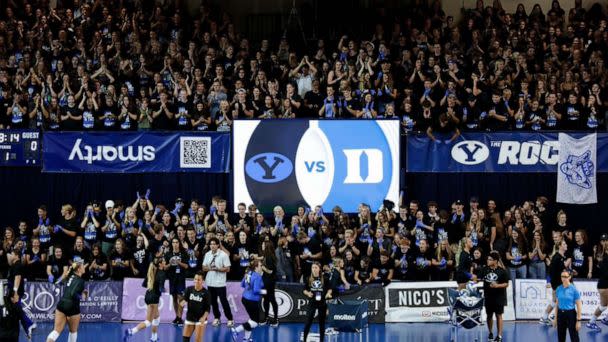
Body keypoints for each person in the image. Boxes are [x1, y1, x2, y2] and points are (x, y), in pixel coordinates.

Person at [124, 257, 167, 342]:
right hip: (154, 298)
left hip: (148, 296)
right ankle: (131, 331)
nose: (165, 262)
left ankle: (154, 337)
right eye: (164, 261)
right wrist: (164, 290)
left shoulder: (151, 272)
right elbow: (161, 288)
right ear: (160, 264)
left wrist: (153, 284)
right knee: (148, 322)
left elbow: (144, 284)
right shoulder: (162, 273)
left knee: (157, 318)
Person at [46, 262, 88, 342]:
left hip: (61, 304)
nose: (84, 267)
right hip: (72, 307)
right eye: (83, 266)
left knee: (56, 331)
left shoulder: (70, 276)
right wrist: (82, 296)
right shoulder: (81, 281)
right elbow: (73, 293)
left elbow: (60, 283)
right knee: (73, 332)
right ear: (79, 269)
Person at [202, 237, 234, 327]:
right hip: (210, 282)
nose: (212, 246)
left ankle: (230, 319)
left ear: (218, 245)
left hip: (220, 283)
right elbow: (203, 267)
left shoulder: (224, 255)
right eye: (211, 244)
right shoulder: (208, 254)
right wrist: (211, 268)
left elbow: (228, 269)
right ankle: (217, 318)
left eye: (214, 244)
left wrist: (218, 269)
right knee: (213, 301)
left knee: (224, 301)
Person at [231, 260, 266, 342]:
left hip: (245, 298)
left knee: (251, 320)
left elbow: (242, 284)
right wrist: (265, 291)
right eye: (261, 265)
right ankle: (236, 330)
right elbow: (256, 290)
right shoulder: (257, 276)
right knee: (255, 322)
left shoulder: (248, 273)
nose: (262, 267)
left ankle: (246, 338)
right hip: (252, 301)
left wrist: (249, 288)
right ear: (256, 267)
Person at [478, 251, 509, 342]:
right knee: (489, 315)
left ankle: (499, 336)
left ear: (495, 261)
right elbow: (478, 277)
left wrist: (497, 286)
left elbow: (506, 284)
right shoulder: (485, 269)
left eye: (490, 259)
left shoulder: (502, 271)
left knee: (499, 315)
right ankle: (490, 333)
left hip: (499, 297)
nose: (488, 261)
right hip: (488, 297)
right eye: (488, 259)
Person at [6, 250, 36, 338]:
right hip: (13, 291)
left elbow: (18, 278)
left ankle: (30, 324)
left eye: (12, 254)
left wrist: (15, 292)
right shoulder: (14, 265)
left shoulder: (18, 265)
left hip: (16, 293)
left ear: (16, 256)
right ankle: (28, 328)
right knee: (17, 311)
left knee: (18, 310)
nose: (10, 256)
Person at [541, 239, 571, 325]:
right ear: (560, 246)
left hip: (560, 284)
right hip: (557, 284)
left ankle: (546, 317)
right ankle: (550, 317)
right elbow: (551, 271)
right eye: (564, 244)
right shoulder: (556, 257)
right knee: (557, 301)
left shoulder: (561, 257)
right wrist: (553, 284)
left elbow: (560, 271)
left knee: (556, 301)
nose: (566, 245)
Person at [302, 262, 332, 342]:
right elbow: (304, 290)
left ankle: (321, 340)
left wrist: (328, 293)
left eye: (316, 268)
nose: (314, 269)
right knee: (308, 322)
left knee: (322, 324)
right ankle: (304, 339)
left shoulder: (325, 278)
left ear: (319, 269)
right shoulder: (308, 278)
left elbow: (330, 288)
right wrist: (308, 293)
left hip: (322, 303)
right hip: (312, 303)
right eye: (313, 268)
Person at [586, 233, 608, 332]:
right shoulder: (603, 255)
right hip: (604, 284)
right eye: (603, 241)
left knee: (603, 305)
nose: (605, 242)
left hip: (604, 283)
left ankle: (603, 319)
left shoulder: (604, 254)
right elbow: (604, 270)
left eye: (606, 240)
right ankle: (592, 322)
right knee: (603, 306)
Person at [181, 271, 210, 342]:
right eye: (195, 279)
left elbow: (208, 308)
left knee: (198, 340)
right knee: (185, 339)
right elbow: (183, 301)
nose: (196, 281)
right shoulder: (189, 289)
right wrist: (182, 302)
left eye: (199, 280)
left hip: (200, 319)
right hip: (190, 317)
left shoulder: (206, 293)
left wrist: (203, 318)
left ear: (203, 281)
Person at [554, 270, 582, 342]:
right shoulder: (558, 288)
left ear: (569, 277)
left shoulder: (574, 289)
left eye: (565, 277)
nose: (563, 279)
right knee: (561, 337)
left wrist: (578, 320)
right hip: (560, 314)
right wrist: (555, 318)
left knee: (574, 336)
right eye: (562, 276)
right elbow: (557, 304)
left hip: (571, 314)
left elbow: (579, 305)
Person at [165, 237, 189, 325]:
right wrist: (170, 263)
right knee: (174, 298)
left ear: (179, 244)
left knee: (181, 298)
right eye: (173, 242)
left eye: (177, 242)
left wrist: (179, 263)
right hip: (172, 279)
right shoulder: (168, 254)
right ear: (172, 244)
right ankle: (177, 317)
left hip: (181, 279)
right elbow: (164, 267)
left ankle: (180, 317)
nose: (175, 244)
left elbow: (186, 266)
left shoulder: (183, 253)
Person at [260, 240, 279, 327]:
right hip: (265, 281)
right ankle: (266, 317)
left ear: (267, 246)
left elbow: (270, 271)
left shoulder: (269, 257)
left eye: (263, 244)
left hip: (269, 282)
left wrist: (262, 267)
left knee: (272, 299)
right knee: (266, 300)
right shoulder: (266, 256)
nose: (262, 245)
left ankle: (275, 319)